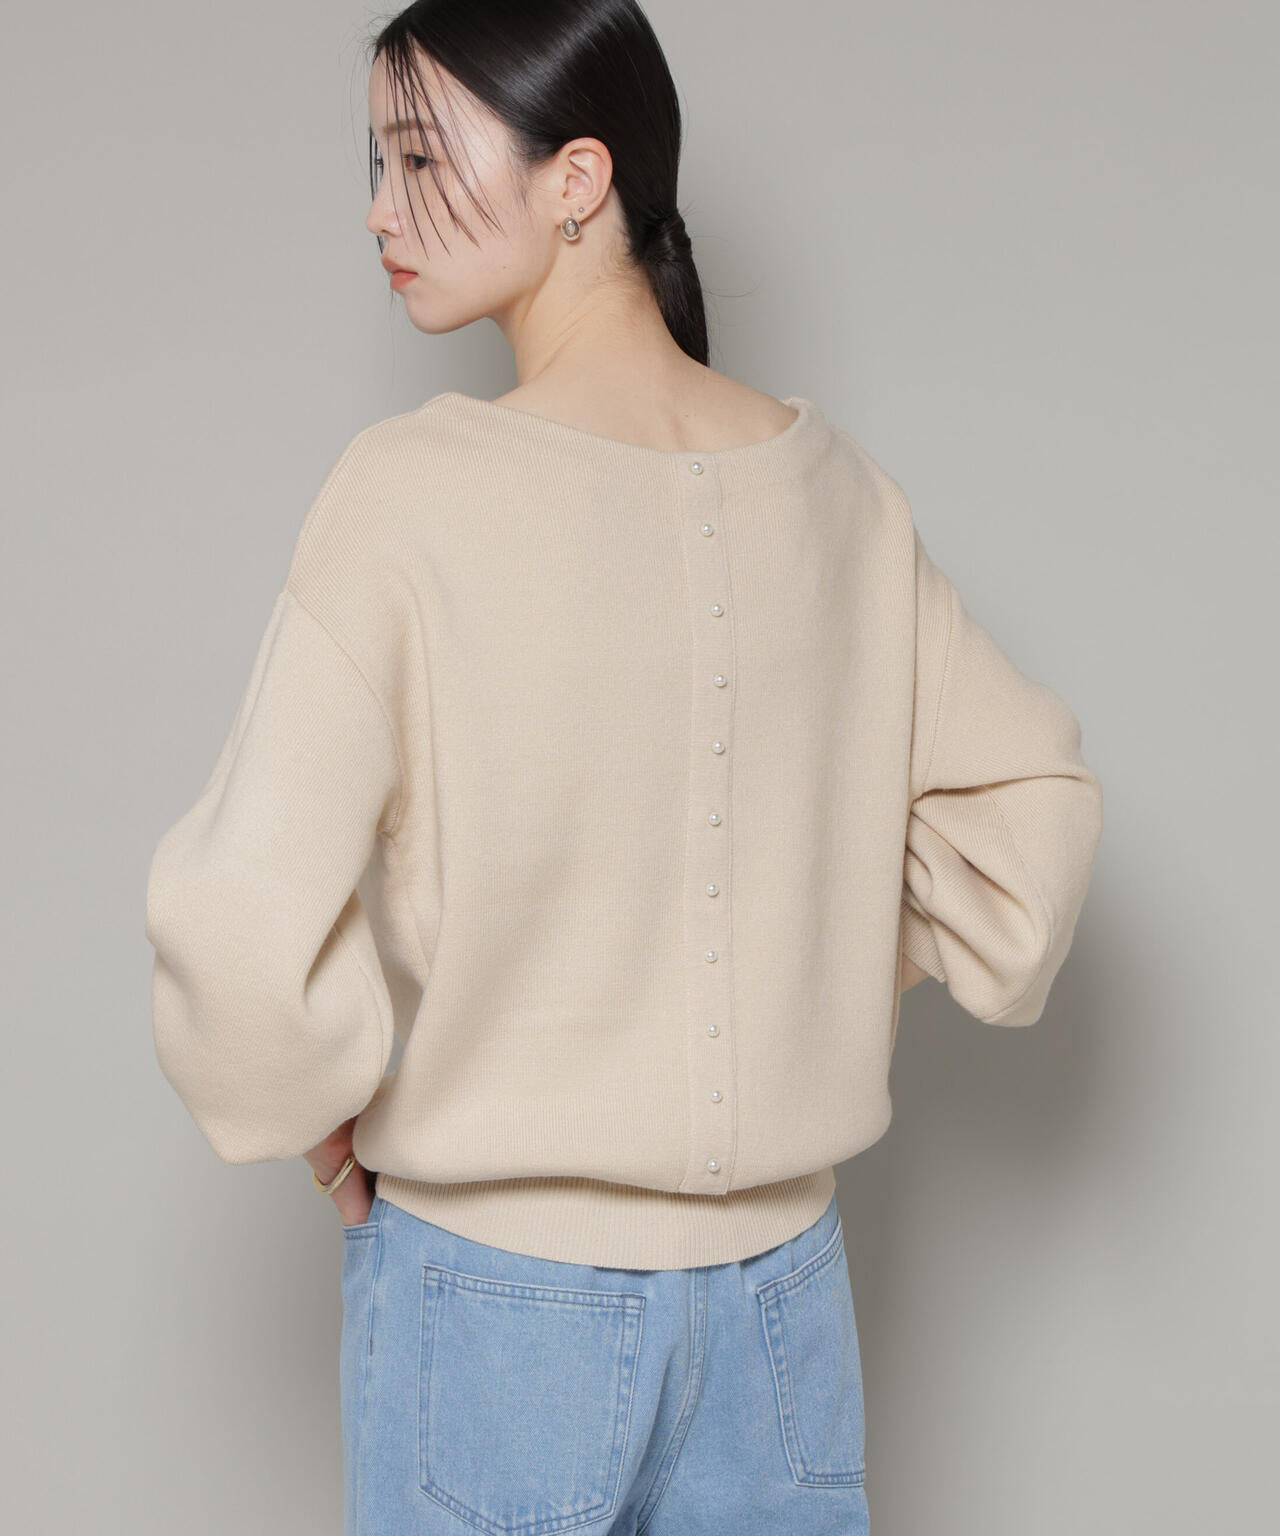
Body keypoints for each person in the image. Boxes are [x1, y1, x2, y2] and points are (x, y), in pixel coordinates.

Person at [143, 2, 1103, 1532]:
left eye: (418, 158)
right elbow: (1030, 836)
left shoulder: (410, 495)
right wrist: (814, 972)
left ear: (578, 178)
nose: (379, 209)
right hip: (784, 1311)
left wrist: (328, 1129)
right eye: (374, 164)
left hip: (495, 1300)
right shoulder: (839, 497)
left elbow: (238, 929)